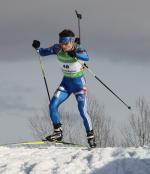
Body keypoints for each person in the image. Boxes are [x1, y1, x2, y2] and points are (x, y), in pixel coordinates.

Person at [32, 29, 96, 148]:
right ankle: (58, 133)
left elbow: (86, 57)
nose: (63, 46)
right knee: (52, 105)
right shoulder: (58, 48)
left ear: (72, 42)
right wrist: (37, 48)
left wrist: (76, 54)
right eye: (61, 43)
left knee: (82, 110)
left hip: (79, 86)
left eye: (66, 44)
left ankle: (91, 137)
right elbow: (43, 52)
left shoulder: (78, 48)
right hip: (66, 84)